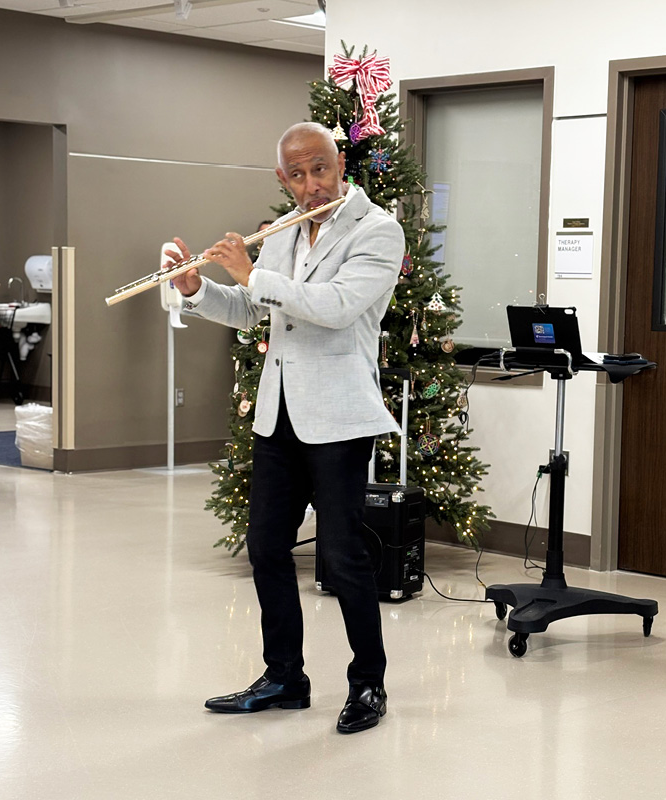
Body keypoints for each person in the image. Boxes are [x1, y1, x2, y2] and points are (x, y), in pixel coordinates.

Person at [164, 121, 404, 734]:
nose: (310, 185)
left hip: (339, 417)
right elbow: (253, 310)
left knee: (344, 555)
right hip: (280, 415)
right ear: (282, 178)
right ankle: (284, 677)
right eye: (296, 175)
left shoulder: (377, 230)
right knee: (268, 547)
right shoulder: (281, 235)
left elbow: (335, 308)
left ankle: (368, 683)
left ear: (340, 162)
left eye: (319, 168)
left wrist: (250, 274)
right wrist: (199, 290)